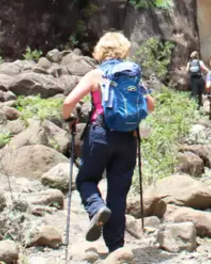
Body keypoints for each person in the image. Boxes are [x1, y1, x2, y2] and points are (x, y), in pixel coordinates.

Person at [62, 32, 156, 252]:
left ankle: (96, 208)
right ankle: (116, 248)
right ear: (123, 50)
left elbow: (69, 102)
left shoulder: (96, 75)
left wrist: (69, 118)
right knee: (118, 191)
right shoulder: (133, 76)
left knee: (86, 179)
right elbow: (150, 106)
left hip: (100, 134)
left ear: (100, 51)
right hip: (128, 138)